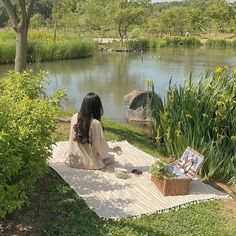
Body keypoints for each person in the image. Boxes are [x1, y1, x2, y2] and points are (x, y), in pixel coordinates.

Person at [65, 93, 121, 170]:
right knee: (111, 158)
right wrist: (114, 149)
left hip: (72, 159)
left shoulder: (74, 116)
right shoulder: (95, 123)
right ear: (98, 107)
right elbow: (101, 148)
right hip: (88, 163)